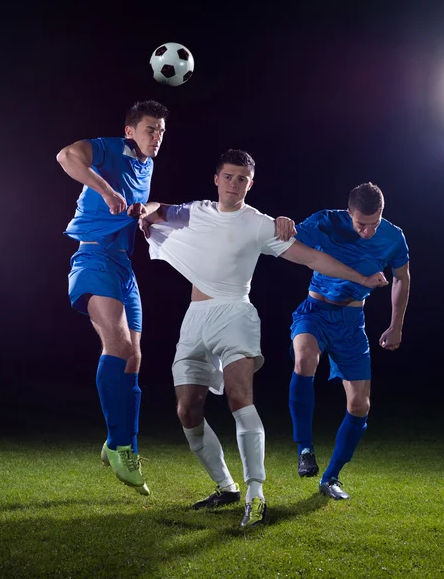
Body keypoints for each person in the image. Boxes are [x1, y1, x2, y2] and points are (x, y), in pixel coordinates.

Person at [138, 150, 388, 528]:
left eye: (243, 179)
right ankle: (226, 486)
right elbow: (160, 208)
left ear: (250, 185)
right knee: (187, 410)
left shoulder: (259, 224)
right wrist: (145, 210)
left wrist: (362, 279)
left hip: (235, 315)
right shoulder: (197, 210)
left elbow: (311, 259)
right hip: (195, 320)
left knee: (240, 398)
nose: (235, 183)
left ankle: (256, 493)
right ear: (217, 179)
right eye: (229, 176)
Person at [56, 100, 169, 495]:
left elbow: (138, 208)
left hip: (123, 265)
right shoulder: (110, 148)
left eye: (161, 131)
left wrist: (141, 214)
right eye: (150, 129)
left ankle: (122, 445)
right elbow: (66, 156)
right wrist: (105, 191)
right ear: (130, 131)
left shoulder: (148, 166)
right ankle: (121, 446)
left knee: (135, 356)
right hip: (94, 256)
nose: (157, 137)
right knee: (118, 346)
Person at [288, 182, 410, 500]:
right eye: (360, 224)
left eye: (374, 223)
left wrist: (396, 325)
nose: (367, 231)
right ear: (349, 211)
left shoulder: (394, 237)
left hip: (353, 323)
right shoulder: (326, 221)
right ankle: (304, 449)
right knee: (304, 360)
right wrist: (282, 224)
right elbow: (287, 241)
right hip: (314, 312)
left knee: (360, 404)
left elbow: (402, 277)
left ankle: (331, 478)